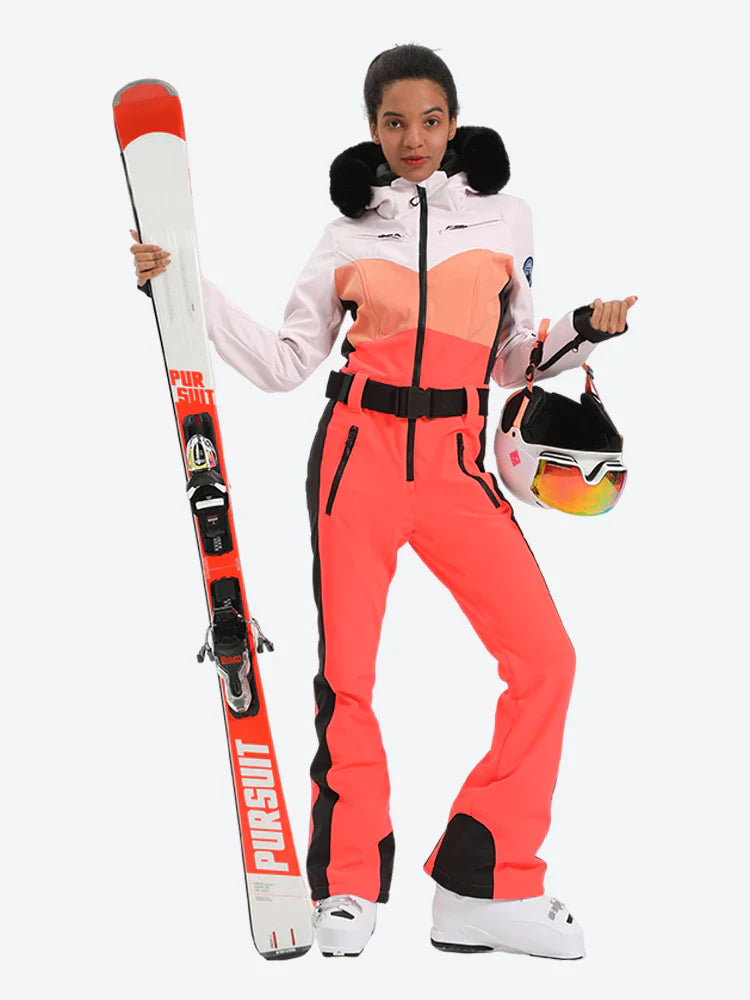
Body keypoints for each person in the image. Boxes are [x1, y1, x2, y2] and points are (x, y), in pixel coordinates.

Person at [129, 43, 636, 960]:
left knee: (546, 661)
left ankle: (485, 883)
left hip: (459, 466)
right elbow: (286, 361)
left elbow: (517, 359)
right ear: (372, 127)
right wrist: (181, 287)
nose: (414, 139)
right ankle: (347, 883)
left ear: (454, 122)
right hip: (355, 460)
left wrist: (586, 330)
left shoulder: (505, 218)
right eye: (395, 122)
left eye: (430, 121)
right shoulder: (346, 234)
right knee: (349, 677)